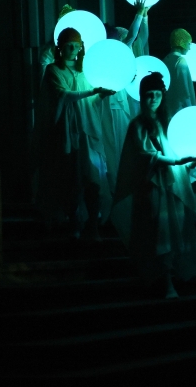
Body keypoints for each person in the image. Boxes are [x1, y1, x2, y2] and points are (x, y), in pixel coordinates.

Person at [110, 72, 196, 298]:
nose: (153, 99)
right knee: (158, 232)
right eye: (149, 95)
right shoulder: (137, 125)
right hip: (152, 188)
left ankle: (171, 276)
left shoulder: (168, 124)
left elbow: (176, 153)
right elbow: (145, 156)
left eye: (157, 94)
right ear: (142, 96)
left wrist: (189, 162)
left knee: (172, 231)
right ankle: (164, 281)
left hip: (171, 187)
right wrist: (177, 161)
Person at [33, 27, 116, 239]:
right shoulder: (53, 70)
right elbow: (63, 95)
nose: (73, 50)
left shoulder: (85, 71)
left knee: (93, 178)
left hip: (87, 131)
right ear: (60, 47)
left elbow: (90, 102)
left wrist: (101, 95)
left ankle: (92, 224)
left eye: (76, 46)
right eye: (69, 45)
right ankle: (74, 223)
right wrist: (93, 91)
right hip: (67, 133)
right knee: (70, 179)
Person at [102, 0, 149, 195]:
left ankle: (120, 190)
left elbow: (134, 38)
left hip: (117, 105)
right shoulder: (103, 55)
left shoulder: (114, 54)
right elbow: (131, 36)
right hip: (110, 105)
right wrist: (139, 14)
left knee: (117, 149)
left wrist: (142, 15)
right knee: (113, 149)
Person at [162, 28, 195, 118]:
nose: (189, 48)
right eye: (189, 43)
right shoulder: (180, 61)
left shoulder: (165, 60)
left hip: (167, 111)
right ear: (182, 42)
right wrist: (191, 112)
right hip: (179, 111)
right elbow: (184, 92)